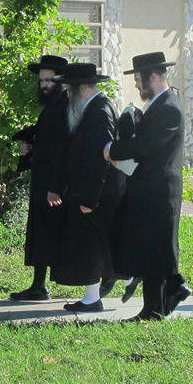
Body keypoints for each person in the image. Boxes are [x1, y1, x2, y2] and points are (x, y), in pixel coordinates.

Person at [105, 52, 190, 320]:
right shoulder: (158, 104)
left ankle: (156, 306)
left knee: (156, 249)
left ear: (153, 77)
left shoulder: (169, 108)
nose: (138, 86)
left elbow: (147, 146)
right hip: (148, 187)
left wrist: (112, 149)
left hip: (160, 189)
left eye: (140, 80)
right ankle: (165, 298)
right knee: (152, 248)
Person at [49, 62, 126, 312]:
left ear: (82, 87)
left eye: (70, 89)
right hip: (93, 190)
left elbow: (100, 160)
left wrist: (89, 198)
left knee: (94, 245)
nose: (67, 94)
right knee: (95, 245)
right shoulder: (92, 108)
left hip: (99, 192)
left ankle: (97, 296)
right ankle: (96, 294)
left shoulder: (99, 112)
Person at [9, 54, 69, 302]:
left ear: (61, 82)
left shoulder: (66, 107)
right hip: (44, 179)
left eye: (49, 80)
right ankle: (38, 285)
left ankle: (98, 283)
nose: (43, 85)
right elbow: (44, 141)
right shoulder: (52, 108)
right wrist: (28, 148)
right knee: (42, 232)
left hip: (56, 182)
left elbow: (62, 148)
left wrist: (55, 186)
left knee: (55, 233)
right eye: (42, 80)